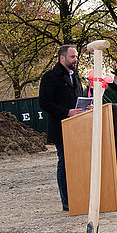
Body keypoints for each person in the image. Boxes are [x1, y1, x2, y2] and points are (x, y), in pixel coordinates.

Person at [39, 45, 84, 211]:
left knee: (79, 163)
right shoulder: (50, 77)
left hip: (78, 126)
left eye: (76, 57)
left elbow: (78, 97)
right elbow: (44, 102)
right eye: (72, 57)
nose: (75, 60)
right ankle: (67, 200)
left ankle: (80, 195)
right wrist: (67, 112)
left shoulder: (76, 76)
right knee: (65, 163)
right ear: (62, 58)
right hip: (61, 127)